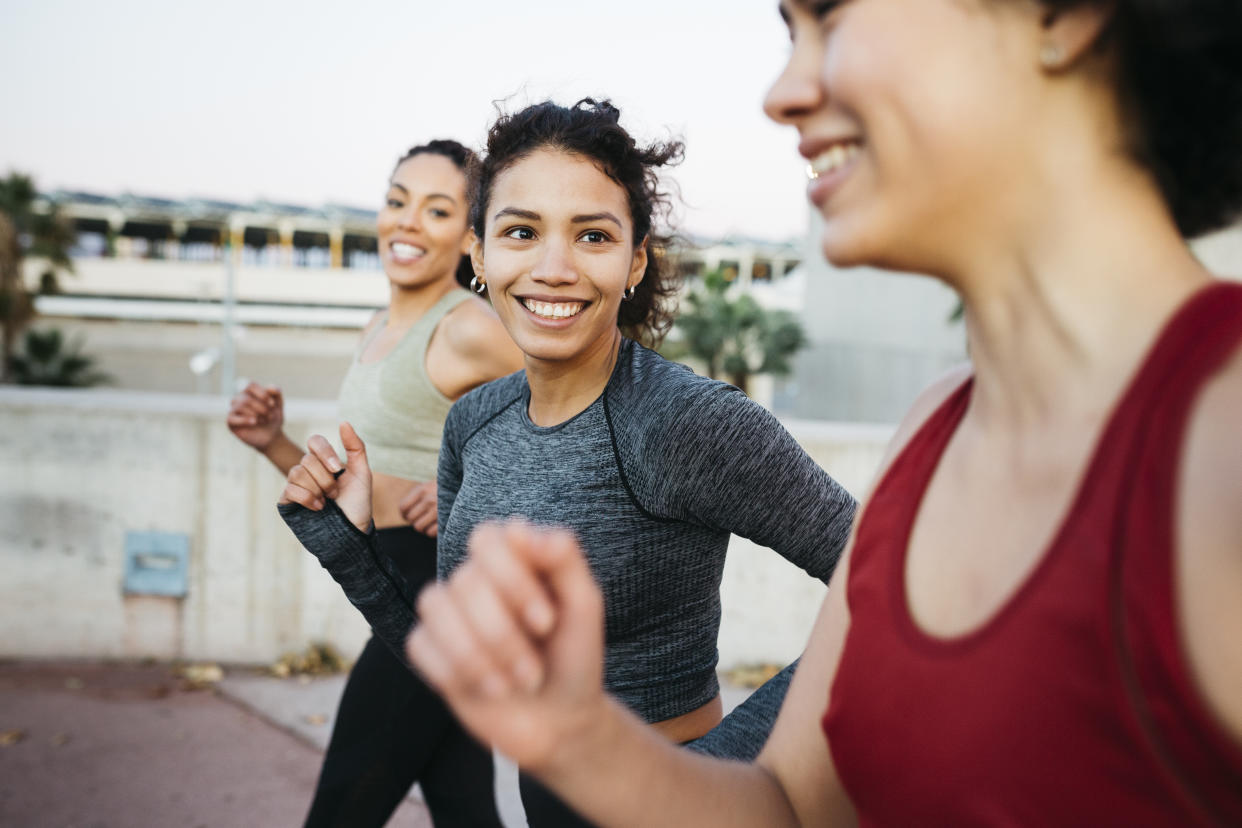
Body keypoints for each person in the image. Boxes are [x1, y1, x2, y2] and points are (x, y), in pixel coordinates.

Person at [399, 1, 1242, 825]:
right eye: (788, 31)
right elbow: (788, 805)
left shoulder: (1223, 436)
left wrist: (696, 746)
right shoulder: (937, 427)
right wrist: (580, 737)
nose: (783, 92)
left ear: (1059, 14)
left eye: (831, 19)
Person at [277, 99, 858, 825]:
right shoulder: (474, 422)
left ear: (635, 260)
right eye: (521, 232)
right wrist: (349, 542)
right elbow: (470, 675)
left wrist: (727, 772)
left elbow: (886, 590)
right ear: (481, 255)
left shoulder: (685, 421)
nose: (553, 268)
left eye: (592, 235)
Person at [227, 139, 523, 827]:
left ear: (469, 237)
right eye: (398, 202)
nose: (408, 222)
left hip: (437, 588)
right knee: (464, 804)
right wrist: (274, 442)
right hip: (390, 569)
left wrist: (474, 494)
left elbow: (574, 409)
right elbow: (361, 481)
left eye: (438, 209)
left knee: (341, 808)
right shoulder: (379, 326)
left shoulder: (467, 327)